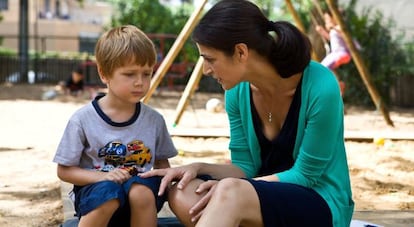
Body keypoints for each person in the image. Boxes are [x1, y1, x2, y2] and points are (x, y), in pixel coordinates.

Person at [140, 1, 354, 227]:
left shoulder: (321, 85)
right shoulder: (237, 92)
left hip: (319, 201)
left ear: (241, 52)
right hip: (255, 198)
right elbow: (244, 167)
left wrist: (237, 190)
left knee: (230, 191)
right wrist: (197, 168)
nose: (206, 70)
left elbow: (305, 176)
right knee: (183, 190)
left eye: (210, 59)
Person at [53, 25, 178, 227]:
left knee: (142, 192)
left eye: (146, 74)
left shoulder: (154, 120)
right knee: (108, 191)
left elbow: (162, 167)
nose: (140, 82)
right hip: (96, 195)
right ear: (104, 74)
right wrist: (102, 176)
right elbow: (64, 171)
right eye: (130, 74)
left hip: (139, 196)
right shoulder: (83, 119)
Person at [316, 12, 353, 95]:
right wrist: (322, 32)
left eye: (328, 19)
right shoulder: (333, 30)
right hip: (335, 54)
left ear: (334, 18)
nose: (326, 21)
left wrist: (333, 27)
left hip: (341, 53)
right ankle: (338, 84)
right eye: (325, 19)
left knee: (323, 68)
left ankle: (337, 85)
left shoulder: (339, 27)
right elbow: (331, 39)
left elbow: (344, 34)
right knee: (323, 68)